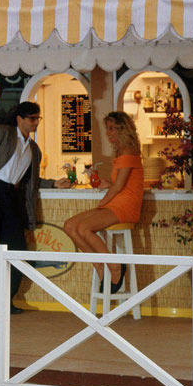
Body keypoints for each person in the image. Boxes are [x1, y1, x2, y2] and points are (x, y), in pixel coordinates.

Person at [0, 101, 63, 314]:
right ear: (19, 119)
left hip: (13, 197)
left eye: (38, 118)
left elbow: (31, 181)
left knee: (17, 250)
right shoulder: (0, 132)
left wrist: (55, 183)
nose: (36, 122)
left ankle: (6, 301)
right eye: (32, 118)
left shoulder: (34, 149)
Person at [63, 112, 144, 293]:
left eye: (112, 128)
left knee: (84, 228)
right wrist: (107, 184)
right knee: (69, 226)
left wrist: (101, 204)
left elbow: (118, 188)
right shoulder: (121, 152)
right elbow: (118, 184)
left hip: (126, 206)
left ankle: (115, 266)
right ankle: (100, 267)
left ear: (123, 129)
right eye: (107, 128)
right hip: (116, 202)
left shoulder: (128, 152)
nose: (108, 133)